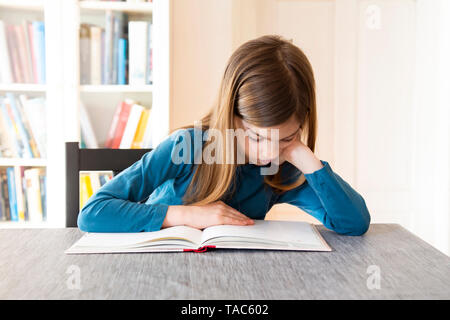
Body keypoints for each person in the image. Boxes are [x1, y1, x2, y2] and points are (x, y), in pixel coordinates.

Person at [78, 35, 371, 236]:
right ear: (230, 116)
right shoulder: (189, 147)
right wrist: (187, 216)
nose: (269, 153)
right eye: (257, 138)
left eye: (285, 138)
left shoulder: (281, 168)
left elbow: (353, 223)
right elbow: (93, 213)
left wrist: (305, 158)